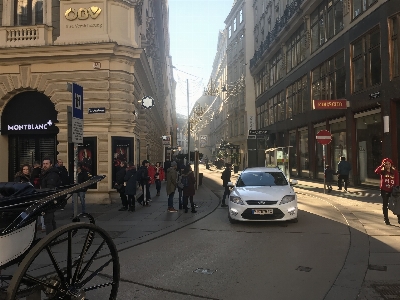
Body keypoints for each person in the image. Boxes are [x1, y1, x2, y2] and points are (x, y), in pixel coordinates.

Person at [40, 157, 62, 234]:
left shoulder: (52, 175)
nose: (45, 165)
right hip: (49, 199)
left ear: (51, 164)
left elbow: (50, 189)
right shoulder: (46, 173)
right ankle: (54, 236)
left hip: (50, 200)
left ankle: (49, 239)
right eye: (44, 164)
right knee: (51, 219)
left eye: (47, 164)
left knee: (48, 221)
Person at [375, 158, 399, 225]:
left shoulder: (395, 172)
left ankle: (399, 218)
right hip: (384, 190)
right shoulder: (383, 171)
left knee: (397, 205)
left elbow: (397, 182)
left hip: (393, 190)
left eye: (389, 164)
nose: (388, 165)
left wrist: (397, 189)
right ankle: (386, 219)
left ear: (391, 164)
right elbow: (377, 171)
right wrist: (382, 166)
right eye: (386, 164)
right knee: (385, 205)